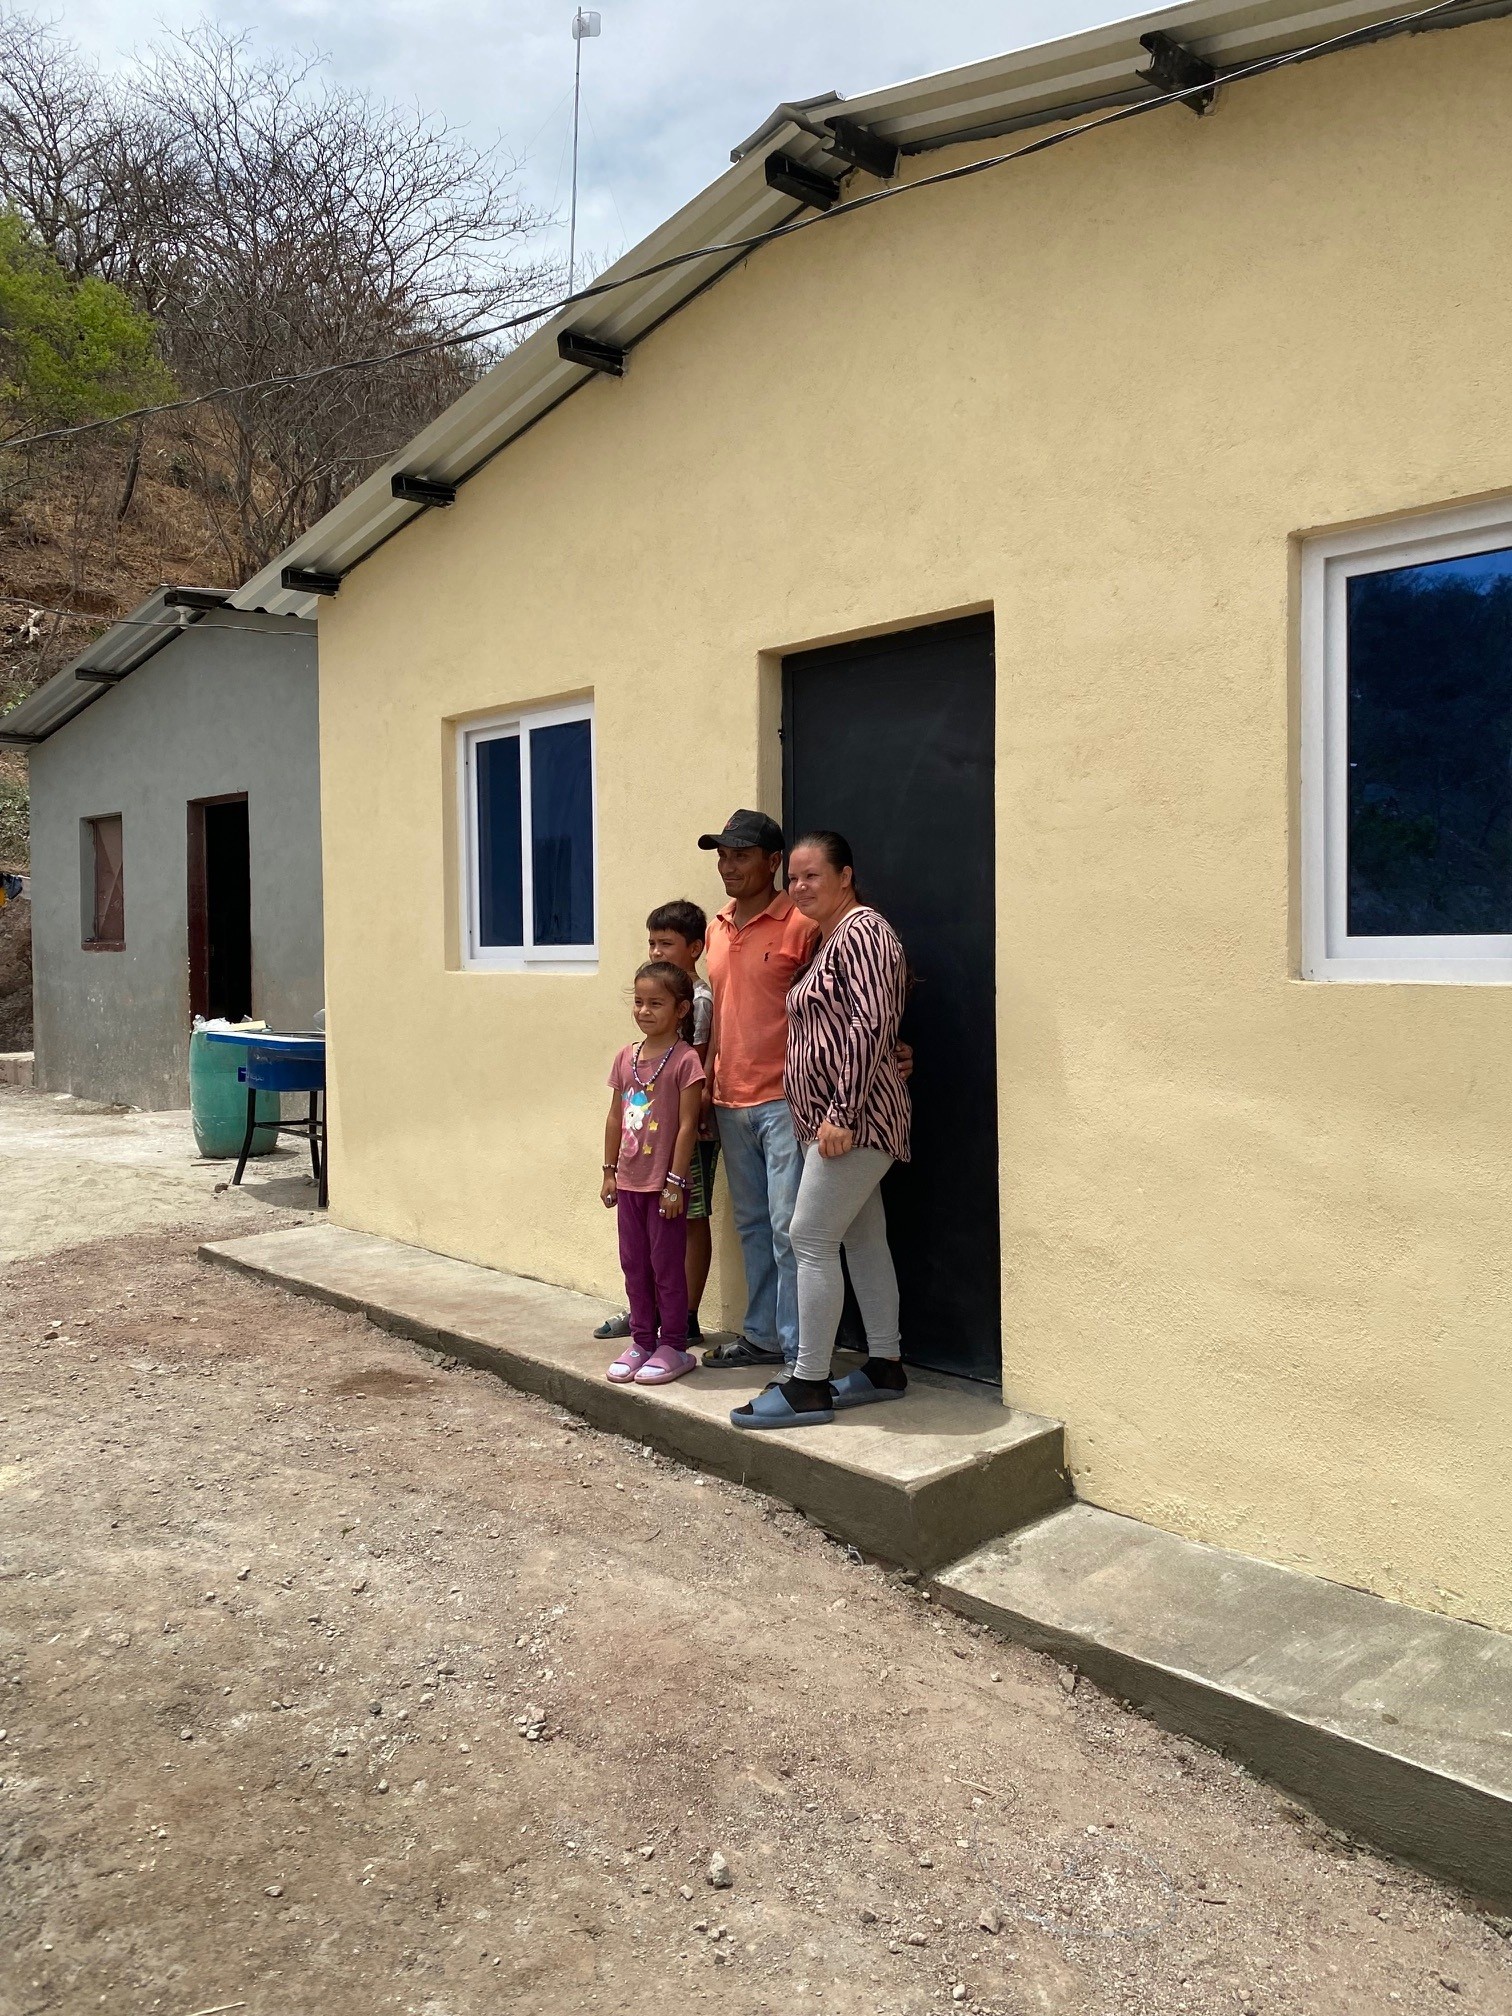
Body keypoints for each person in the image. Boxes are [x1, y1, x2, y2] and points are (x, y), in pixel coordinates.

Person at [731, 831, 910, 1430]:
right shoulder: (835, 938)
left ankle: (808, 1383)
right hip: (836, 1122)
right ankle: (885, 1365)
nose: (800, 886)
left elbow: (870, 1025)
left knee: (808, 1237)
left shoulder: (863, 931)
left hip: (853, 1123)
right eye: (794, 878)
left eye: (812, 875)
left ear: (845, 876)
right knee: (863, 1239)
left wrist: (842, 1112)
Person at [697, 810, 819, 1371]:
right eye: (722, 856)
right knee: (751, 1225)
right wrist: (705, 1085)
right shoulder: (716, 927)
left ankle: (800, 1356)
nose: (728, 866)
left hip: (785, 1100)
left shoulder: (802, 924)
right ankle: (763, 1336)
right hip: (729, 1100)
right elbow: (720, 1013)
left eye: (740, 856)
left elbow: (840, 1002)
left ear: (773, 862)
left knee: (790, 1229)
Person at [594, 901, 718, 1343]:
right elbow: (618, 1109)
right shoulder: (632, 1047)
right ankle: (645, 1316)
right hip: (643, 1145)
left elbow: (696, 1065)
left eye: (666, 943)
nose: (656, 951)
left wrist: (695, 1114)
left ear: (695, 948)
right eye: (651, 943)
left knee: (688, 1217)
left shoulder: (699, 1000)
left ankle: (683, 1319)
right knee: (641, 1243)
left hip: (687, 1131)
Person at [599, 961, 705, 1386]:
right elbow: (615, 1117)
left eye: (656, 1003)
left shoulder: (686, 1060)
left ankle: (674, 1345)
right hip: (628, 1183)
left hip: (665, 1187)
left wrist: (675, 1183)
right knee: (634, 1265)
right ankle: (642, 1340)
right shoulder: (625, 1058)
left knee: (666, 1267)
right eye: (639, 1002)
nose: (644, 1011)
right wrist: (609, 1172)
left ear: (681, 1009)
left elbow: (687, 1125)